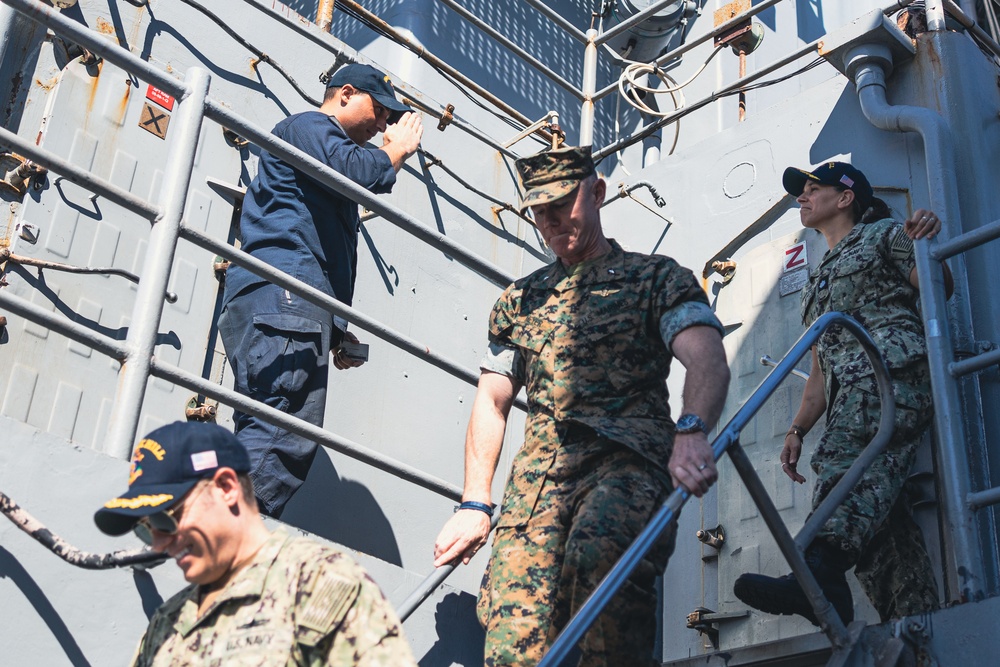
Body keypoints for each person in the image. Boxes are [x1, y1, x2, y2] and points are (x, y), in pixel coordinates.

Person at [432, 146, 731, 666]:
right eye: (538, 210)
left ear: (596, 193)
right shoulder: (519, 301)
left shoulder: (655, 278)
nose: (550, 220)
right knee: (510, 623)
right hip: (536, 490)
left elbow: (706, 358)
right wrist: (475, 504)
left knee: (601, 564)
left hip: (627, 464)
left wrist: (692, 429)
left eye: (562, 204)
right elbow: (494, 399)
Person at [734, 162, 952, 626]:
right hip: (849, 392)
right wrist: (798, 427)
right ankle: (915, 623)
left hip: (889, 375)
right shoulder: (818, 279)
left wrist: (925, 243)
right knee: (881, 527)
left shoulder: (885, 236)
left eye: (813, 190)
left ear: (846, 197)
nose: (802, 198)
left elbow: (938, 286)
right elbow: (820, 363)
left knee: (843, 468)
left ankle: (819, 571)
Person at [218, 63, 424, 518]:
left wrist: (334, 331)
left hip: (279, 300)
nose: (384, 125)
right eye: (380, 110)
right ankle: (223, 524)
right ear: (345, 94)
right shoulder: (309, 126)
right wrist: (398, 151)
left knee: (265, 417)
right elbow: (357, 172)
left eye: (391, 120)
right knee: (284, 427)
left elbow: (314, 241)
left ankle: (220, 519)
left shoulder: (317, 147)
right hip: (283, 296)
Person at [94, 421, 418, 666]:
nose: (162, 545)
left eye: (167, 520)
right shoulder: (167, 621)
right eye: (147, 530)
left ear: (225, 488)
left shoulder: (317, 584)